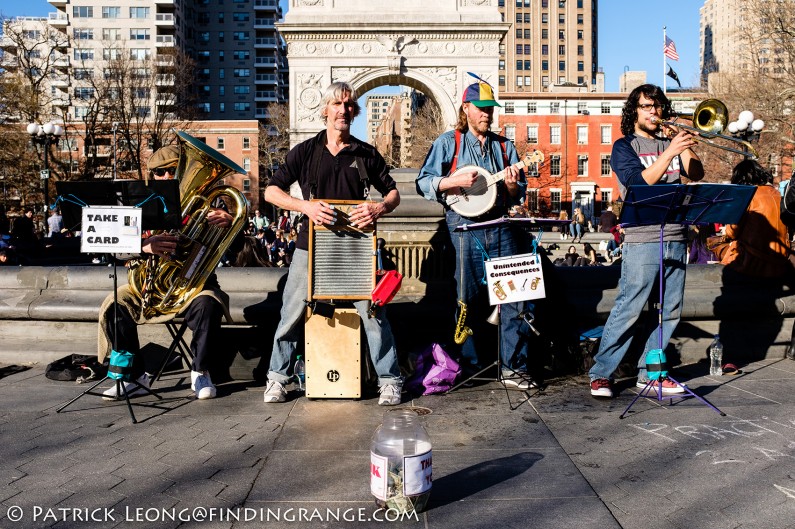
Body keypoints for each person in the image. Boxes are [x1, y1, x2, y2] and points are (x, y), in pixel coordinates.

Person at [261, 81, 403, 406]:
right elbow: (271, 191)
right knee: (291, 313)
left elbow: (393, 192)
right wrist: (305, 206)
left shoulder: (366, 153)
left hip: (356, 249)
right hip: (310, 247)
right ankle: (277, 379)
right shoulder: (305, 152)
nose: (344, 110)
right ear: (325, 109)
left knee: (374, 313)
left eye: (349, 105)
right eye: (337, 104)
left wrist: (379, 207)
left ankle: (390, 380)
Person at [416, 77, 536, 390]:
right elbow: (424, 181)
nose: (487, 114)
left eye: (490, 109)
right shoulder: (449, 142)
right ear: (466, 108)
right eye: (481, 108)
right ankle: (466, 364)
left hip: (501, 227)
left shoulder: (505, 147)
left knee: (514, 297)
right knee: (465, 300)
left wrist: (511, 184)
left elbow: (517, 193)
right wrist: (450, 183)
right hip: (463, 229)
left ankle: (514, 367)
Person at [588, 83, 704, 398]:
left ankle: (651, 373)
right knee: (630, 305)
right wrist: (669, 152)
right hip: (643, 236)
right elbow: (639, 183)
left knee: (670, 309)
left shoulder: (672, 143)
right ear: (634, 112)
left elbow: (696, 173)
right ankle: (601, 373)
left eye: (657, 106)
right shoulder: (624, 146)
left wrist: (687, 145)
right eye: (646, 107)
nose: (653, 112)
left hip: (676, 233)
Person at [97, 145, 238, 401]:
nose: (164, 177)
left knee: (208, 305)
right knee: (114, 305)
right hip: (145, 286)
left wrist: (232, 225)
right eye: (158, 172)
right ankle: (133, 377)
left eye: (171, 170)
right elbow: (113, 249)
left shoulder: (210, 201)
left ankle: (201, 371)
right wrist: (142, 246)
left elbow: (237, 248)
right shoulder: (137, 201)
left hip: (194, 284)